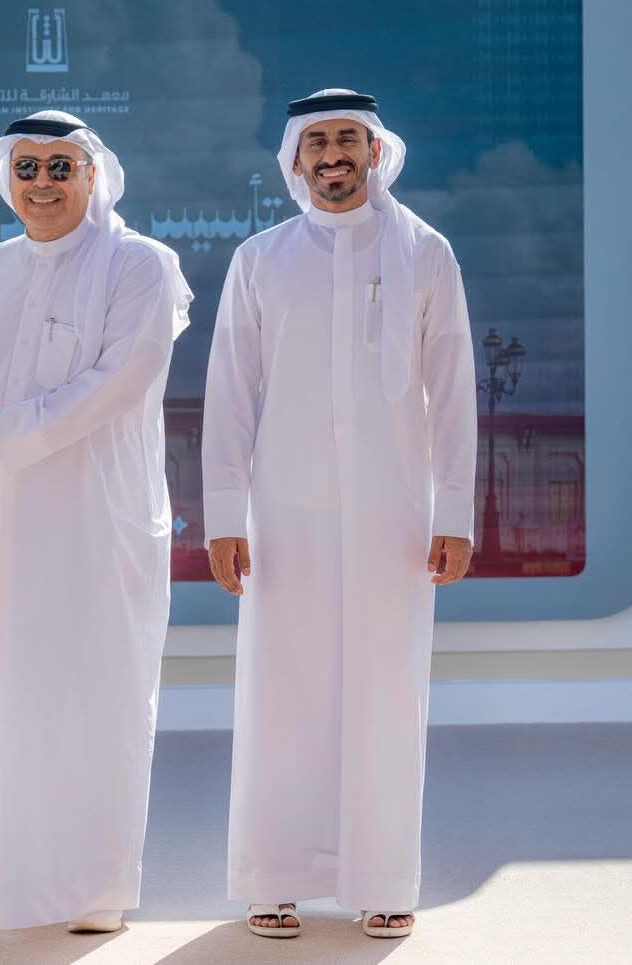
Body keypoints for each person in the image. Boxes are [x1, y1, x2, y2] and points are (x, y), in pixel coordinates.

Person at [0, 110, 191, 932]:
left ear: (93, 175)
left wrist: (5, 425)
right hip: (7, 517)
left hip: (104, 518)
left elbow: (120, 381)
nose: (42, 184)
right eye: (26, 168)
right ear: (7, 177)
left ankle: (99, 887)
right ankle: (26, 874)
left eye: (61, 167)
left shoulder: (141, 265)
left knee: (102, 693)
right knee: (12, 695)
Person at [201, 89, 478, 940]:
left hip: (396, 509)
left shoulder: (426, 252)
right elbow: (229, 392)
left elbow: (453, 387)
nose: (333, 154)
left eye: (348, 138)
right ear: (294, 157)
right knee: (282, 689)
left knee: (388, 690)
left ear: (375, 149)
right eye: (317, 141)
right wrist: (224, 513)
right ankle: (272, 877)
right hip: (283, 511)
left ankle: (383, 879)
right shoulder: (260, 259)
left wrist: (455, 508)